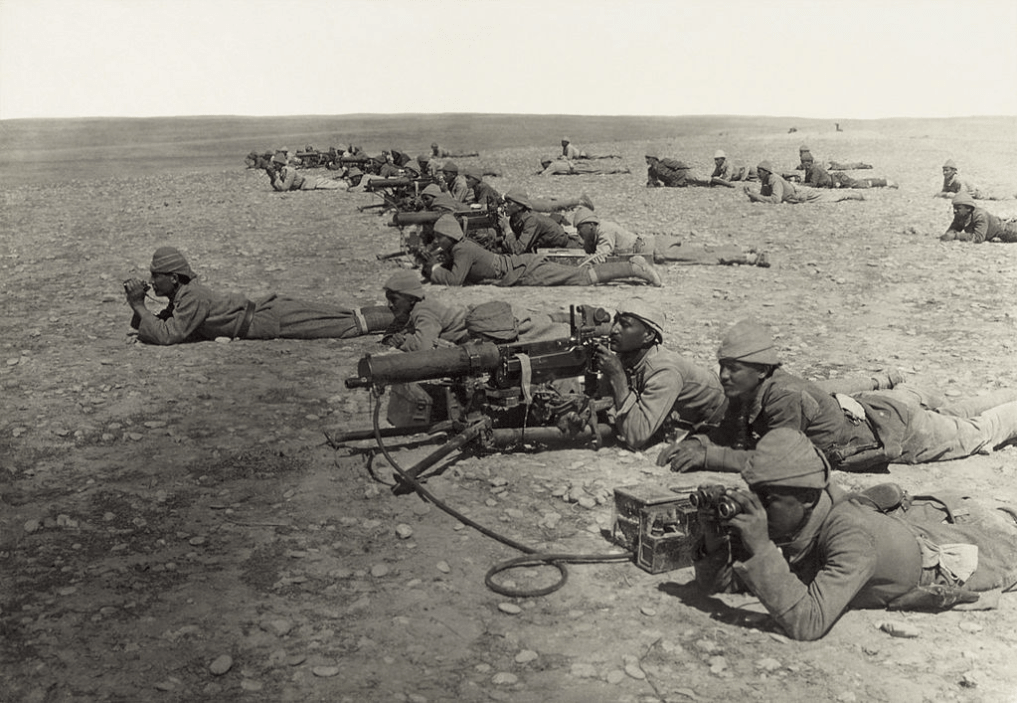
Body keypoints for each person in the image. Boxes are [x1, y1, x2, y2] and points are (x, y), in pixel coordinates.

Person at [693, 428, 1017, 641]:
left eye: (769, 499)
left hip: (962, 555)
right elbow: (722, 585)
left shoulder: (848, 535)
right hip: (916, 525)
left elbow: (808, 623)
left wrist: (760, 546)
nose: (759, 507)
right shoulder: (797, 518)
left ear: (807, 497)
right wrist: (714, 534)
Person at [666, 319, 1017, 474]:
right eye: (722, 366)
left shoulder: (782, 397)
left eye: (734, 368)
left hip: (895, 431)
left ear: (761, 369)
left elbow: (778, 463)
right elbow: (724, 428)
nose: (724, 375)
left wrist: (712, 458)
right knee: (956, 414)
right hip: (875, 411)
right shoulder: (748, 388)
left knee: (977, 433)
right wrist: (698, 442)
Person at [124, 247, 391, 345]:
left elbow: (168, 335)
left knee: (346, 325)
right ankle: (400, 315)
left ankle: (402, 318)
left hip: (267, 319)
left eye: (155, 275)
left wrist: (138, 304)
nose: (151, 281)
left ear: (173, 278)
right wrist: (139, 306)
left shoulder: (192, 296)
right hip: (267, 313)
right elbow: (160, 323)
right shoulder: (183, 295)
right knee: (343, 317)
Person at [592, 299, 728, 451]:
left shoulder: (664, 372)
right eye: (615, 321)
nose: (614, 330)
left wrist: (617, 376)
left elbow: (636, 436)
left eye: (625, 325)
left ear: (648, 335)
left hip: (719, 416)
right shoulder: (627, 355)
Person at [426, 215, 662, 288]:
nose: (438, 242)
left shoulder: (462, 250)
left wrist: (435, 271)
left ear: (451, 237)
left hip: (523, 271)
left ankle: (632, 268)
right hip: (521, 267)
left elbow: (455, 280)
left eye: (440, 238)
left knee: (581, 277)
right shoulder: (461, 247)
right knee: (579, 274)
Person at [572, 208, 770, 268]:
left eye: (581, 230)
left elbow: (601, 256)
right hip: (656, 244)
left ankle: (749, 258)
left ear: (590, 225)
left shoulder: (604, 230)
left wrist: (580, 264)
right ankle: (743, 250)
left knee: (702, 257)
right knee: (702, 251)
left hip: (657, 250)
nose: (581, 235)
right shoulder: (601, 228)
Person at [501, 191, 581, 254]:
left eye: (509, 203)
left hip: (564, 248)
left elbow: (518, 250)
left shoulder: (531, 220)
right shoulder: (514, 219)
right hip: (544, 247)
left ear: (520, 206)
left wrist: (507, 229)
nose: (505, 205)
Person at [744, 161, 864, 204]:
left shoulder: (773, 179)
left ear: (766, 172)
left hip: (801, 194)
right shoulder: (765, 180)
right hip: (796, 195)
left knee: (829, 197)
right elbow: (765, 196)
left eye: (759, 172)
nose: (757, 174)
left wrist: (756, 196)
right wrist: (753, 196)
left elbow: (776, 200)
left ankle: (853, 195)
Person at [940, 192, 1017, 243]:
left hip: (1008, 231)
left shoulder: (980, 216)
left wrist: (957, 236)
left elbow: (978, 238)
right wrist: (950, 234)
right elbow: (952, 231)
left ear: (969, 209)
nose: (955, 211)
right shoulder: (961, 215)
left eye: (958, 208)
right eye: (954, 208)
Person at [801, 154, 897, 189]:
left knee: (861, 184)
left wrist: (800, 185)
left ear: (808, 162)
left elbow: (813, 184)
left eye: (804, 162)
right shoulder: (810, 169)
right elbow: (807, 181)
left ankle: (885, 182)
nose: (803, 164)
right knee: (859, 182)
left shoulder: (815, 169)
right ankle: (882, 181)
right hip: (837, 180)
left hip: (838, 180)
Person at [267, 154, 344, 191]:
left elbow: (285, 188)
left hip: (311, 183)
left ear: (280, 164)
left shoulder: (289, 171)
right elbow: (278, 187)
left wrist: (274, 177)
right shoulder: (282, 171)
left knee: (336, 185)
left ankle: (349, 183)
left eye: (275, 163)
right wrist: (272, 178)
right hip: (306, 183)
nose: (274, 165)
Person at [539, 159, 631, 176]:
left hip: (576, 169)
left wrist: (538, 173)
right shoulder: (556, 162)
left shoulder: (552, 166)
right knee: (596, 168)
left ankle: (621, 170)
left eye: (543, 165)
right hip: (577, 165)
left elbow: (544, 174)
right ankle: (620, 168)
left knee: (596, 171)